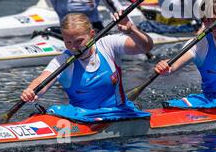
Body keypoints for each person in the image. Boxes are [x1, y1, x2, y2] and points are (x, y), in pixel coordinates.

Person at [20, 12, 153, 122]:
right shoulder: (63, 60)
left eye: (79, 41)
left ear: (92, 34)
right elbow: (42, 81)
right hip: (81, 119)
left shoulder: (107, 45)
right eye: (68, 42)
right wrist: (31, 90)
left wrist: (132, 30)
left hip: (119, 113)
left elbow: (146, 47)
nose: (73, 47)